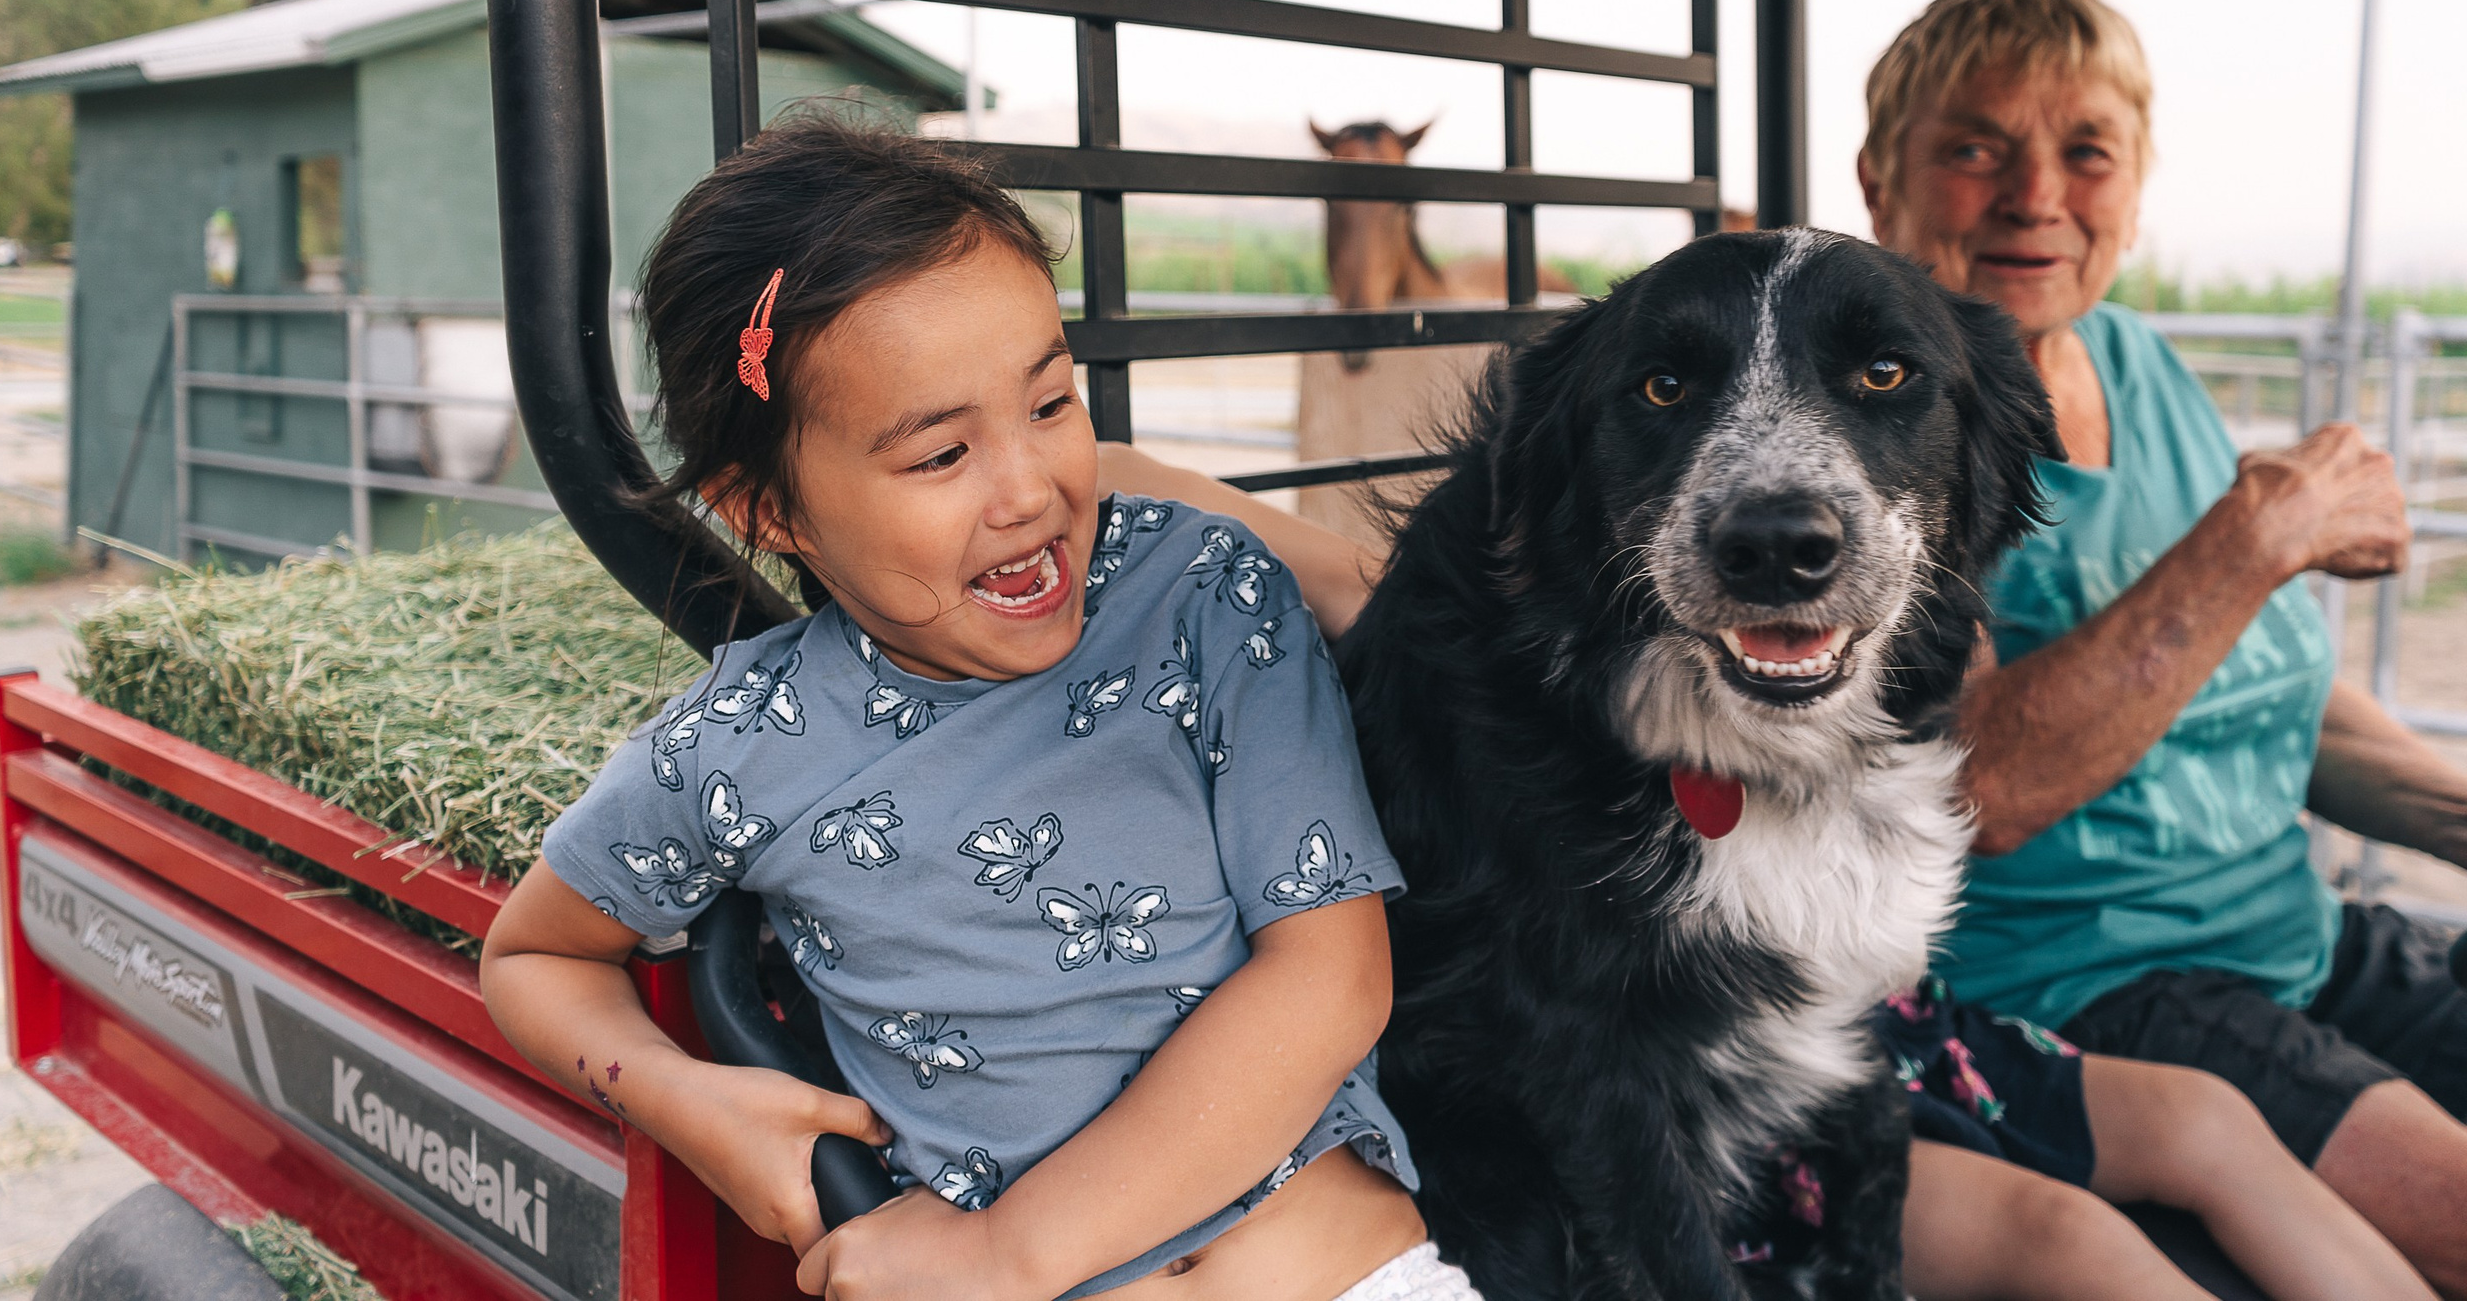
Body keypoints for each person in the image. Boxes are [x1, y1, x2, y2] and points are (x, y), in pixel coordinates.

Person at [480, 115, 1468, 1301]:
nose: (1027, 490)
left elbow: (1331, 978)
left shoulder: (1198, 597)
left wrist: (1007, 1251)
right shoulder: (738, 747)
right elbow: (534, 954)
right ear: (768, 512)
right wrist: (692, 1103)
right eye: (941, 456)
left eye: (1050, 405)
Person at [1099, 441, 2435, 1301]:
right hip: (1694, 1076)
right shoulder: (1494, 632)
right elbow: (1334, 565)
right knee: (2063, 1229)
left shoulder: (1897, 506)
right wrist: (1078, 463)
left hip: (1858, 1017)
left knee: (2202, 1116)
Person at [1852, 0, 2467, 1295]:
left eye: (2086, 151)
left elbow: (2255, 681)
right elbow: (1978, 786)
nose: (2035, 193)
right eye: (1973, 148)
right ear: (1878, 181)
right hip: (2099, 983)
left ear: (2135, 184)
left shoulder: (2135, 359)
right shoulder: (1885, 430)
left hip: (2300, 933)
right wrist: (2250, 536)